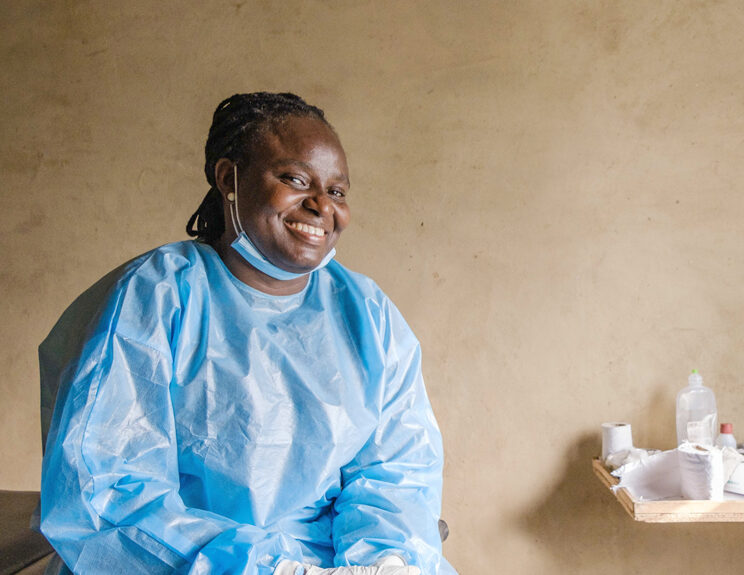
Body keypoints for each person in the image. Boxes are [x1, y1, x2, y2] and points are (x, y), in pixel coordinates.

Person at [37, 92, 457, 575]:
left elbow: (396, 475)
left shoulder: (367, 313)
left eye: (337, 191)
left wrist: (388, 559)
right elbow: (107, 490)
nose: (322, 205)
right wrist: (266, 570)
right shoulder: (158, 296)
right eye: (295, 179)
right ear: (227, 178)